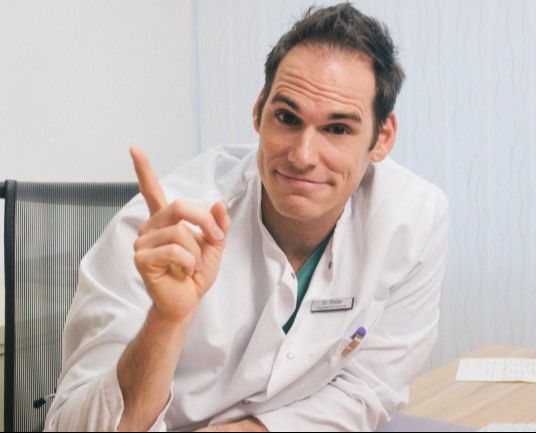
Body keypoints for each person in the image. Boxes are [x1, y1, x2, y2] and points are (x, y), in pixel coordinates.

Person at [44, 3, 448, 431]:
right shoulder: (157, 232)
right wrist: (166, 320)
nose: (303, 156)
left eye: (337, 129)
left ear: (382, 138)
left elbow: (368, 388)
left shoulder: (412, 220)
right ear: (258, 112)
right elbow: (71, 427)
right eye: (287, 118)